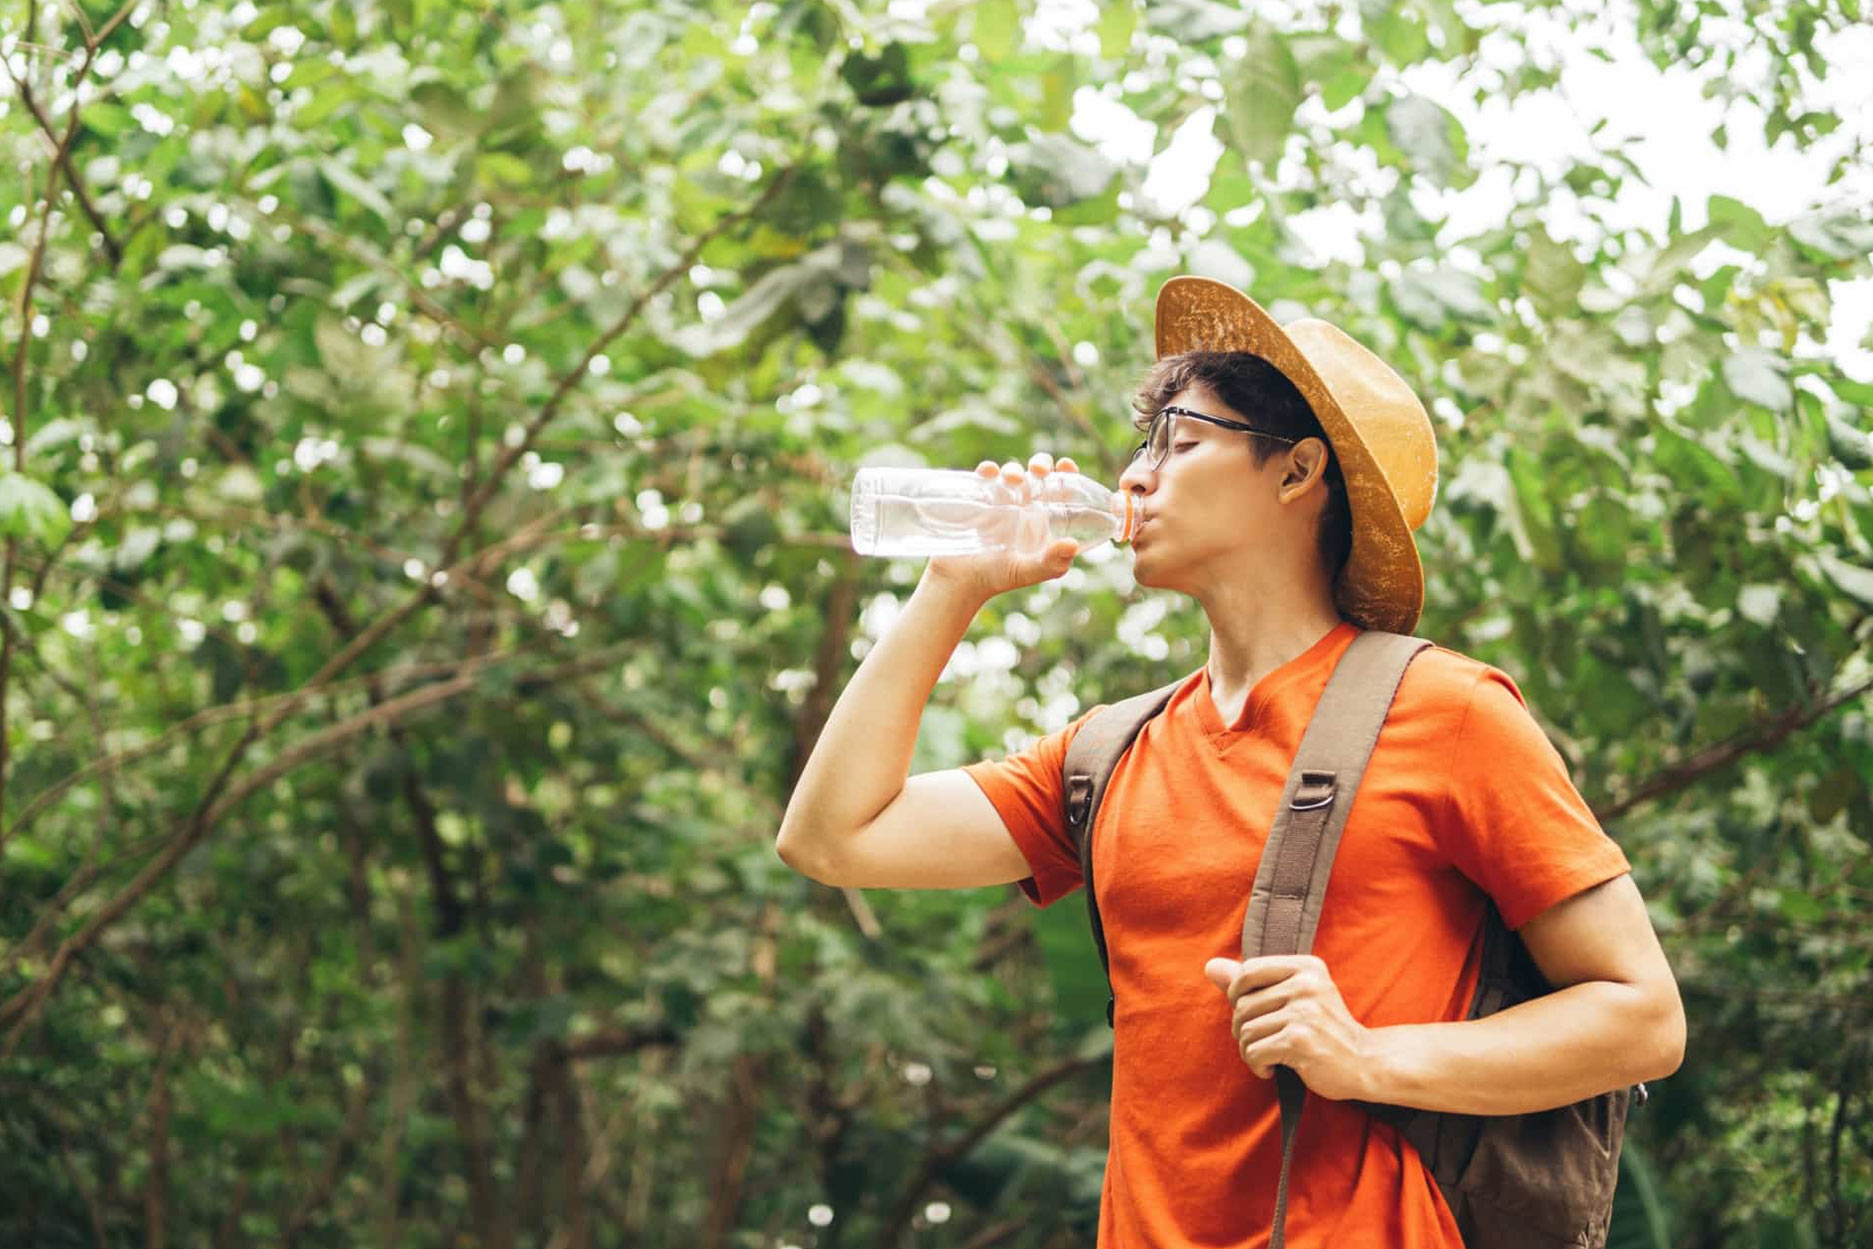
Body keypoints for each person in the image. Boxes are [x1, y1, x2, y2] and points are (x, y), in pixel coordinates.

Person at [776, 276, 1685, 1247]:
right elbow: (833, 836)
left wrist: (1369, 1056)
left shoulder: (1445, 710)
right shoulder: (1108, 752)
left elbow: (1640, 1018)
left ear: (1296, 473)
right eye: (1143, 447)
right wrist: (952, 585)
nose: (1132, 477)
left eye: (1180, 440)